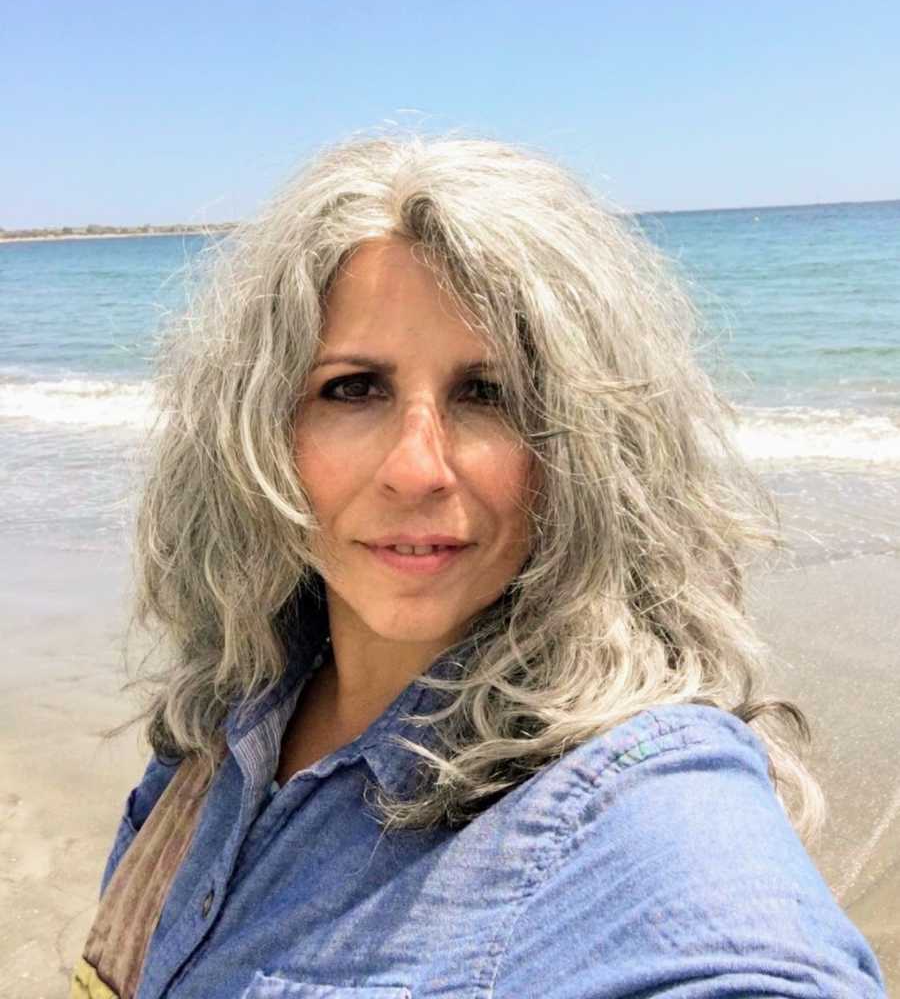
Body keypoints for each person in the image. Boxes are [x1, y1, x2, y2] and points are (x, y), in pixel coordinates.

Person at [72, 134, 885, 999]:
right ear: (258, 429)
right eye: (353, 388)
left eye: (489, 394)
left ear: (593, 452)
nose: (417, 467)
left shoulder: (634, 801)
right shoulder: (225, 722)